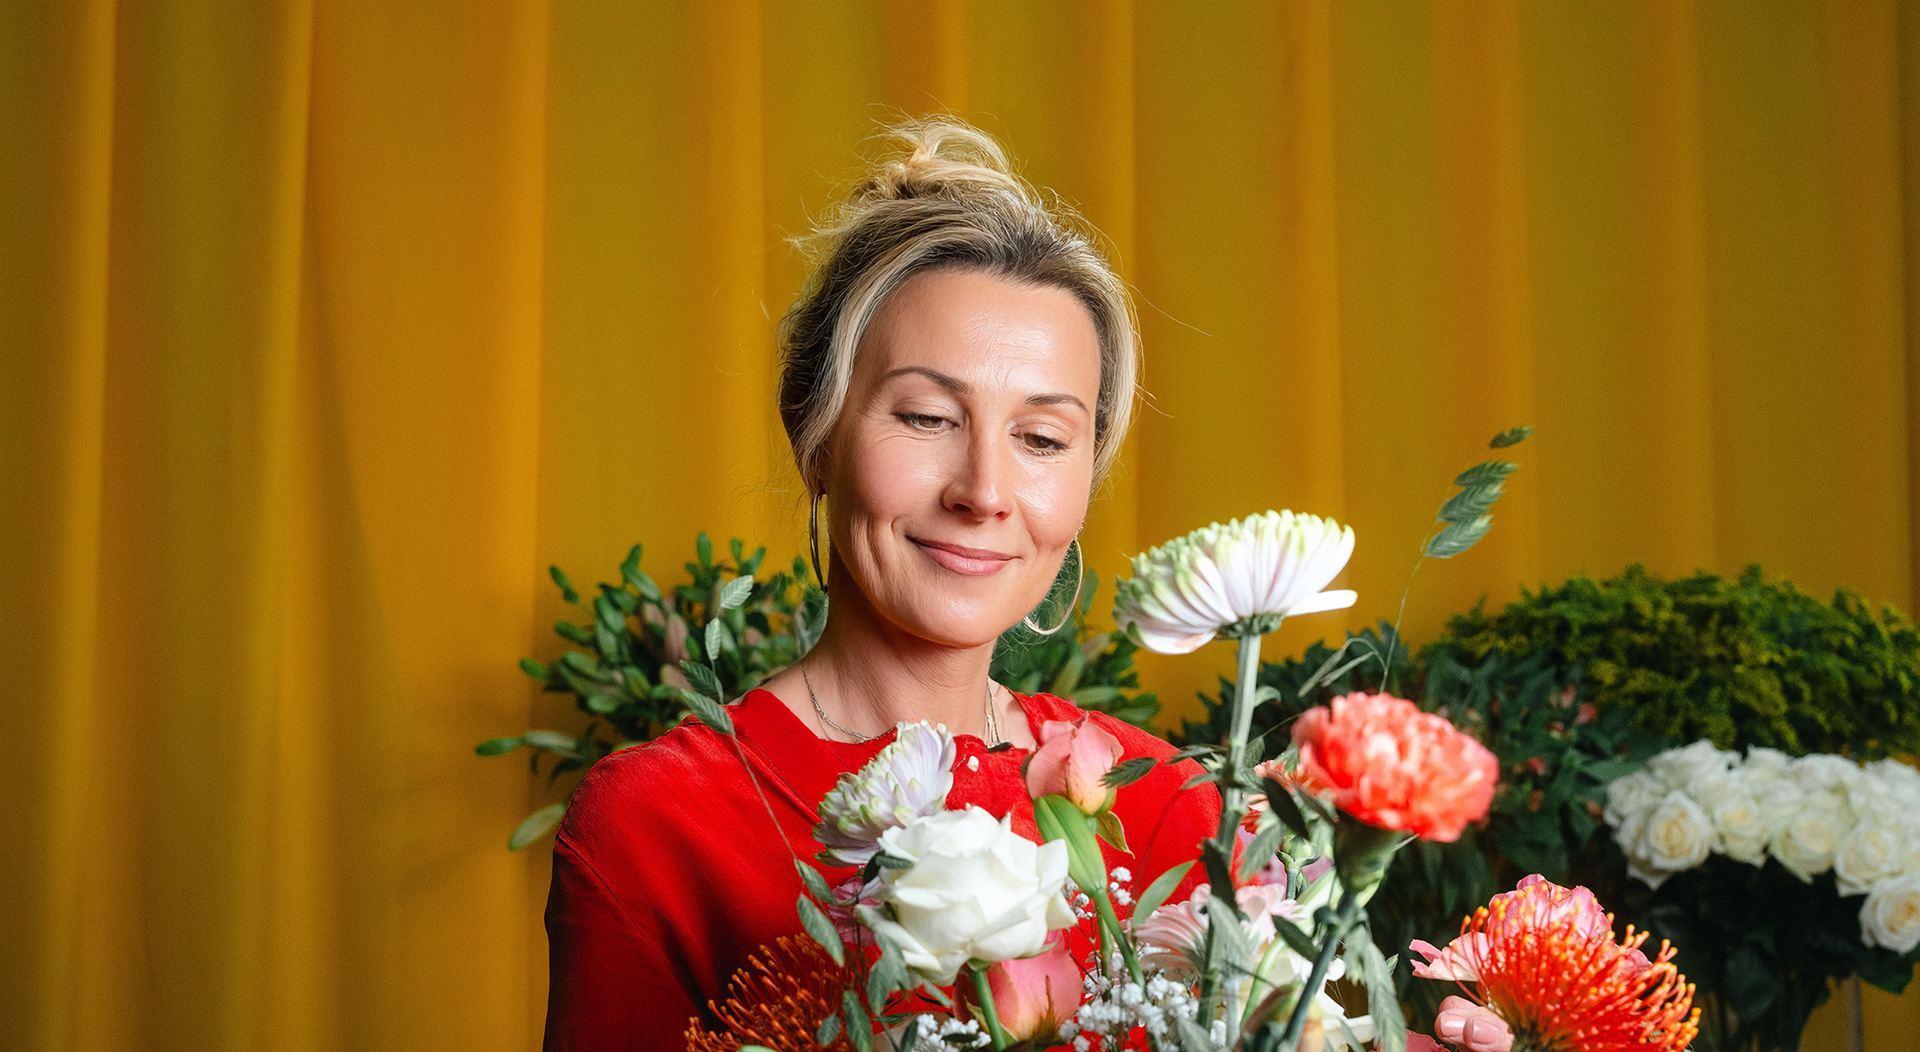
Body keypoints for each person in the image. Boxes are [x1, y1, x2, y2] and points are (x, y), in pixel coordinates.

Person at [542, 118, 1219, 1051]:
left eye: (1041, 438)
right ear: (816, 436)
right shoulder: (659, 824)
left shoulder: (1169, 809)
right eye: (928, 417)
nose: (984, 492)